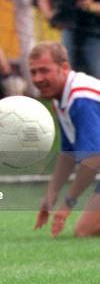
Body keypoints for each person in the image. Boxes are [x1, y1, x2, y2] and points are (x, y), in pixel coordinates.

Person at [30, 42, 100, 237]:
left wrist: (68, 202)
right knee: (84, 230)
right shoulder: (60, 97)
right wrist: (50, 195)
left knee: (85, 230)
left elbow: (93, 158)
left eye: (44, 71)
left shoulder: (81, 97)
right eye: (33, 72)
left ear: (64, 68)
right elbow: (68, 152)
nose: (38, 78)